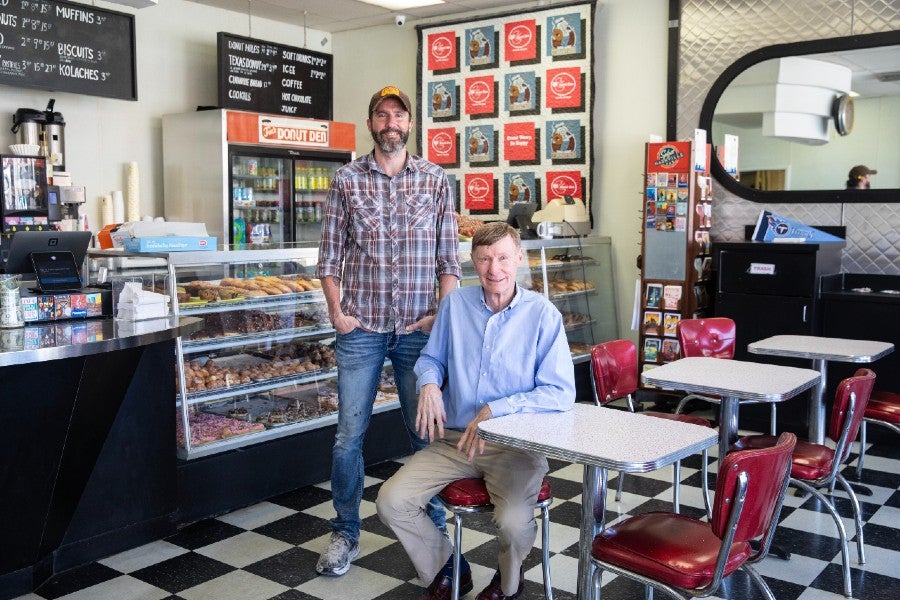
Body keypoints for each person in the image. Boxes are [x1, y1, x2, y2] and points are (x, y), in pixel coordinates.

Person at [376, 222, 576, 600]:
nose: (493, 269)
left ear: (519, 259)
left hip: (515, 445)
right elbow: (431, 358)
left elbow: (560, 392)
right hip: (456, 441)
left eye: (502, 257)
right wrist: (430, 382)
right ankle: (449, 568)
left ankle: (508, 583)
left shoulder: (542, 315)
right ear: (473, 261)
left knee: (513, 524)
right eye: (484, 259)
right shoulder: (455, 304)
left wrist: (495, 408)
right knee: (392, 500)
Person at [315, 85, 462, 577]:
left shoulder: (436, 180)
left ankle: (433, 526)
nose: (390, 122)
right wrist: (336, 310)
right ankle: (345, 532)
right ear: (371, 122)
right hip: (360, 328)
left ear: (410, 124)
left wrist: (442, 315)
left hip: (419, 330)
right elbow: (328, 259)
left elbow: (449, 260)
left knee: (427, 435)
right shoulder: (346, 180)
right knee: (347, 437)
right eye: (382, 114)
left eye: (398, 114)